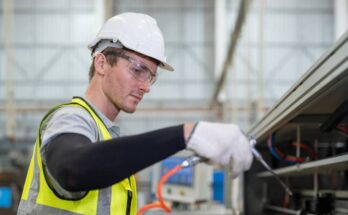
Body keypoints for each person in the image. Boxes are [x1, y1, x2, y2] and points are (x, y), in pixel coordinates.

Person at [17, 12, 253, 215]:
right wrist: (185, 134)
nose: (146, 86)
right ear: (101, 63)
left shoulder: (109, 140)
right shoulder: (70, 118)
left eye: (150, 76)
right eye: (137, 70)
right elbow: (73, 169)